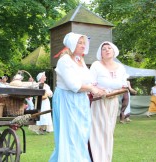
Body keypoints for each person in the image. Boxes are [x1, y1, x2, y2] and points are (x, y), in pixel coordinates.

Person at [49, 32, 105, 162]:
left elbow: (89, 79)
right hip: (66, 100)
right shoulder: (64, 60)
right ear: (72, 44)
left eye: (84, 43)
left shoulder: (80, 60)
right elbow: (73, 84)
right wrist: (91, 88)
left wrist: (97, 87)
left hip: (81, 100)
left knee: (81, 135)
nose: (83, 45)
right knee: (70, 136)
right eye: (80, 43)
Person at [89, 41, 128, 162]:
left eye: (109, 48)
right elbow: (91, 84)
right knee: (99, 131)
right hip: (99, 102)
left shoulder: (121, 68)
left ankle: (106, 158)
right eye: (104, 49)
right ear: (100, 53)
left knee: (109, 131)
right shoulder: (96, 65)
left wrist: (115, 93)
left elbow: (124, 85)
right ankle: (96, 158)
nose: (106, 50)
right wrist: (100, 91)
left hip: (113, 102)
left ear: (114, 51)